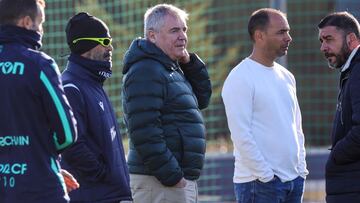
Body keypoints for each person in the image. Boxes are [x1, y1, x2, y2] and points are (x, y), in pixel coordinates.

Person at [121, 3, 212, 203]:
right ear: (152, 36)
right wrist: (173, 176)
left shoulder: (170, 68)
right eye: (174, 30)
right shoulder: (146, 70)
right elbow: (145, 131)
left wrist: (189, 63)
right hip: (160, 183)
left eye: (183, 29)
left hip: (173, 182)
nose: (182, 36)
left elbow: (202, 99)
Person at [222, 8, 308, 203]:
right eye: (281, 32)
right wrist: (266, 176)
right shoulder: (240, 77)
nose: (289, 38)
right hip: (259, 185)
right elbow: (241, 135)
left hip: (293, 182)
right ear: (259, 36)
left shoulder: (287, 77)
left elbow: (297, 127)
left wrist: (300, 170)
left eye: (288, 31)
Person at [0, 0, 78, 202]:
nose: (41, 30)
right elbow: (67, 134)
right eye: (40, 23)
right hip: (40, 188)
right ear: (27, 22)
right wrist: (42, 157)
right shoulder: (39, 64)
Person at [59, 12, 132, 203]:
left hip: (109, 194)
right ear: (86, 45)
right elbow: (72, 145)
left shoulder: (92, 83)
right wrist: (103, 175)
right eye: (105, 41)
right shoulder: (71, 87)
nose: (111, 48)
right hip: (96, 195)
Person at [318, 12, 360, 203]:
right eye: (321, 41)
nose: (323, 47)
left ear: (351, 39)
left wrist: (336, 156)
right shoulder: (351, 71)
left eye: (329, 39)